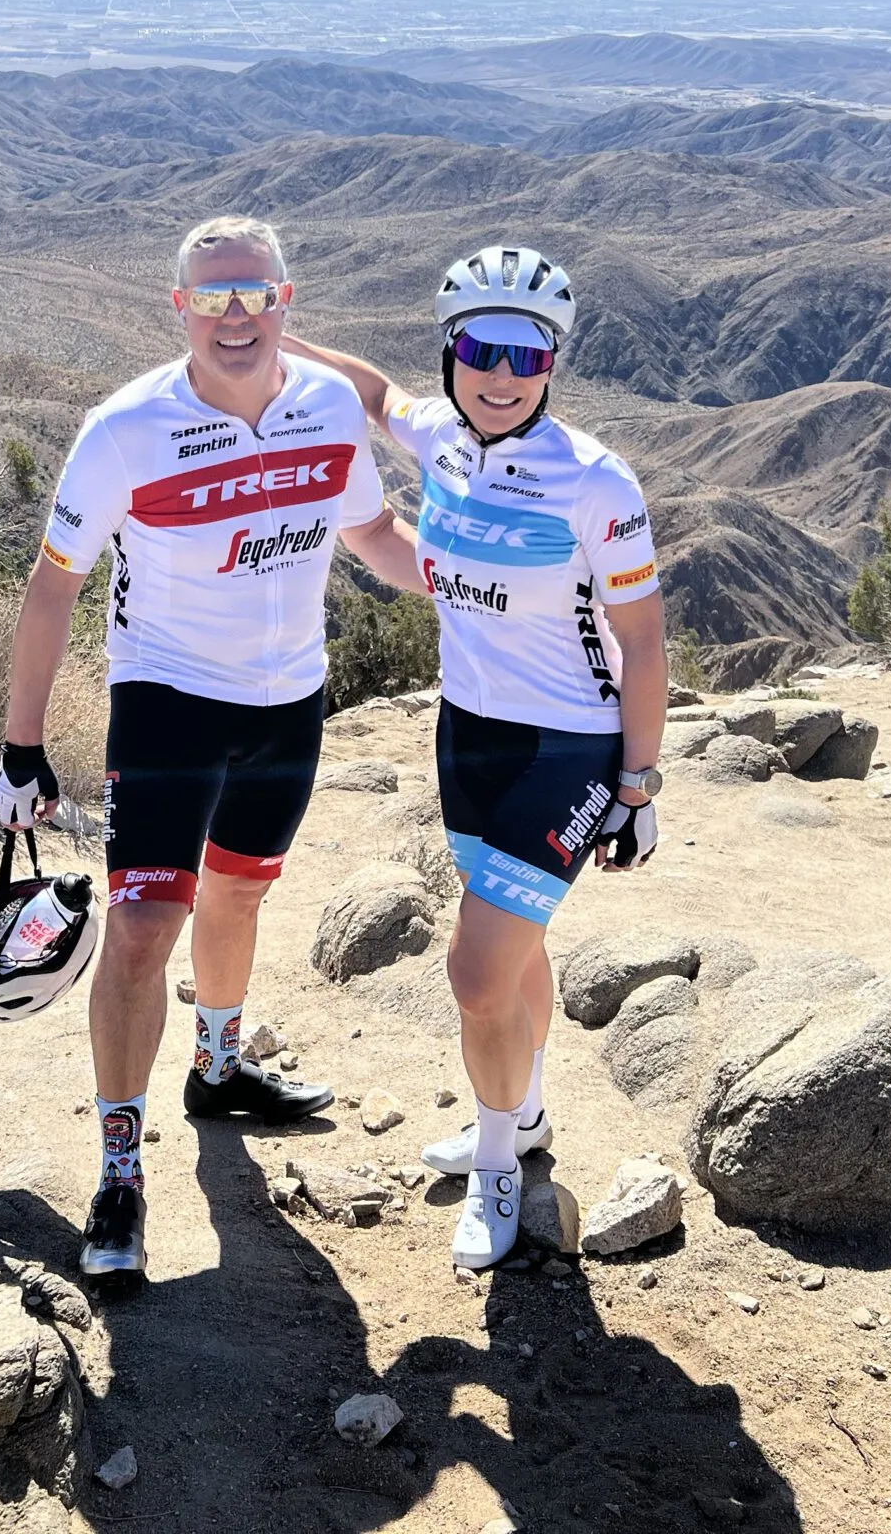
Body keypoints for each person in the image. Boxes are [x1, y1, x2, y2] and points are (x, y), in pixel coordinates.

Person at [0, 214, 420, 1280]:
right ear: (177, 308)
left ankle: (219, 1067)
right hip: (170, 699)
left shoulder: (326, 407)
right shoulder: (124, 428)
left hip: (290, 701)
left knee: (238, 895)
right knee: (143, 929)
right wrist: (21, 746)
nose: (235, 316)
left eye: (253, 294)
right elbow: (54, 585)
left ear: (287, 301)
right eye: (212, 298)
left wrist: (487, 590)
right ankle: (119, 1170)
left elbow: (370, 536)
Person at [286, 246, 666, 1270]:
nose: (501, 374)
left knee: (473, 973)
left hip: (567, 748)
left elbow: (643, 638)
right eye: (481, 349)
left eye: (527, 355)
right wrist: (268, 341)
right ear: (452, 351)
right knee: (516, 951)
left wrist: (637, 783)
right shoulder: (439, 438)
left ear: (553, 364)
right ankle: (525, 1115)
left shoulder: (596, 483)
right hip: (467, 735)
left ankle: (501, 1167)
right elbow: (372, 395)